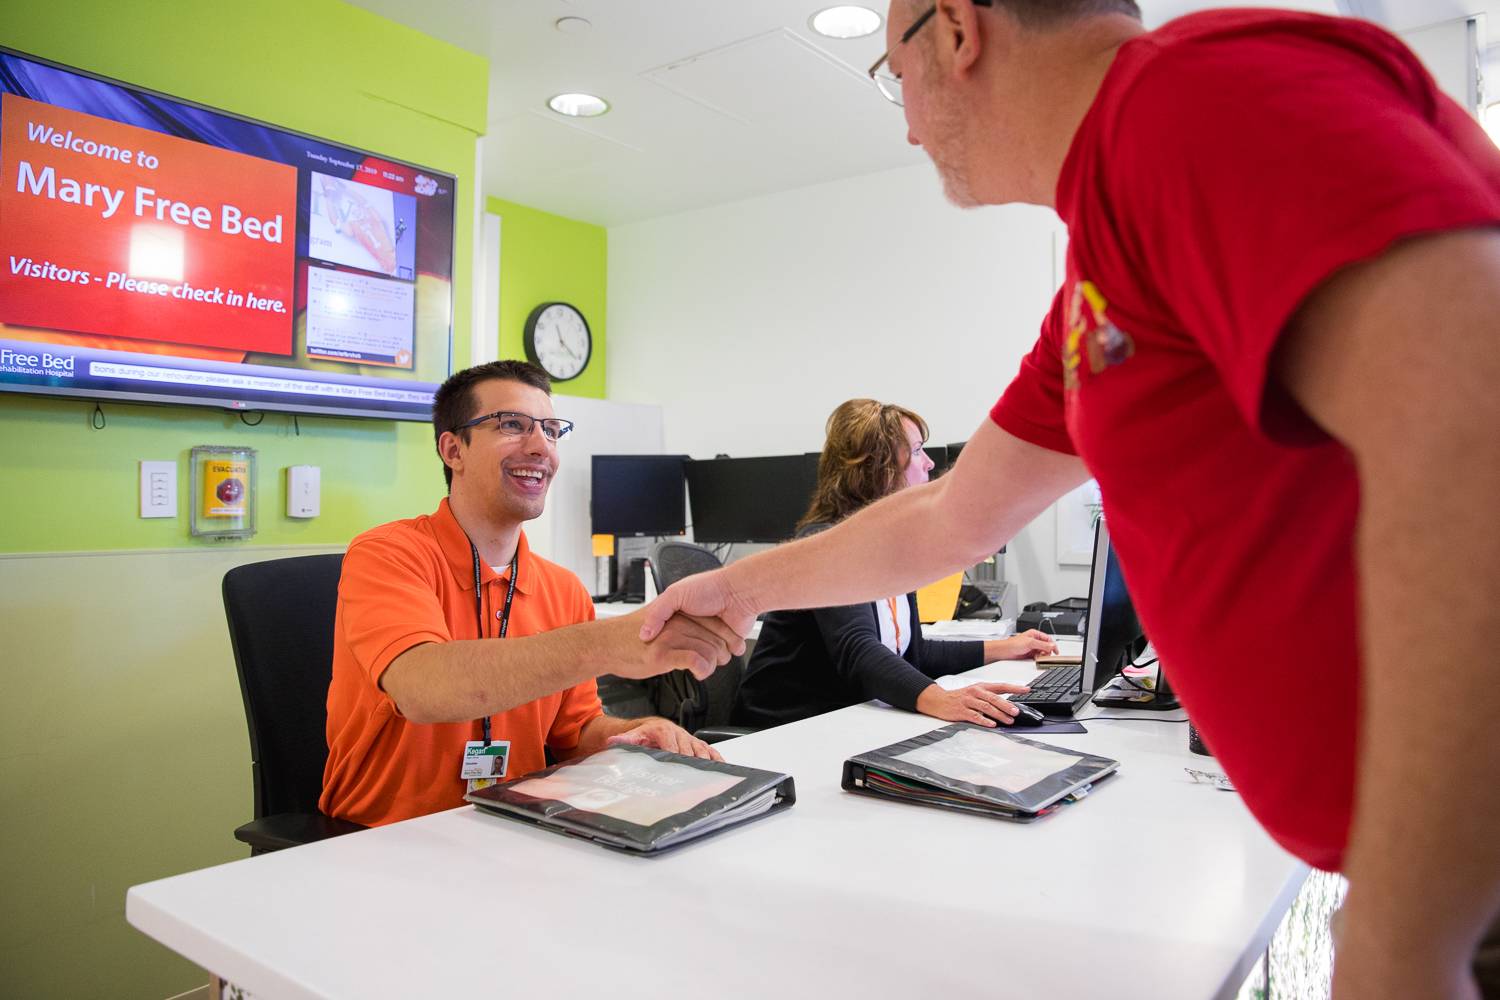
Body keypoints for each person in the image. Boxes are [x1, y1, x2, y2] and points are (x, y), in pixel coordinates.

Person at [639, 3, 1500, 996]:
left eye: (893, 73)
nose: (908, 124)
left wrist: (1407, 930)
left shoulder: (1194, 101)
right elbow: (952, 515)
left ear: (957, 31)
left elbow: (1473, 437)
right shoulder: (1104, 269)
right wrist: (744, 587)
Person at [321, 360, 743, 827]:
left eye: (551, 430)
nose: (541, 445)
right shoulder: (387, 555)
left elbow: (575, 732)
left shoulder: (562, 589)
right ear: (452, 449)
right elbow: (423, 690)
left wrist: (633, 732)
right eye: (512, 425)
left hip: (512, 829)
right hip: (382, 841)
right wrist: (609, 642)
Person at [735, 398, 1056, 728]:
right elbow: (859, 650)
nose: (929, 463)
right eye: (917, 451)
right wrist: (941, 699)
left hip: (845, 717)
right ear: (877, 468)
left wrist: (1006, 648)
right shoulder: (830, 543)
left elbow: (912, 652)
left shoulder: (890, 545)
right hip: (783, 730)